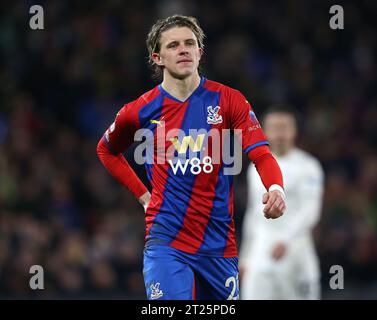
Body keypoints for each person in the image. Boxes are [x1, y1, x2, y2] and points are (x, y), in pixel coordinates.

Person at [97, 15, 286, 300]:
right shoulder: (139, 110)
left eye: (190, 43)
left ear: (200, 52)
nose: (183, 49)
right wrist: (143, 196)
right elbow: (106, 150)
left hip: (219, 246)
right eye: (173, 45)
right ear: (157, 58)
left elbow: (260, 153)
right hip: (166, 243)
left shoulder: (229, 100)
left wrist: (275, 188)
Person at [239, 106, 324, 300]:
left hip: (297, 251)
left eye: (285, 127)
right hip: (261, 253)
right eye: (274, 127)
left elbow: (311, 210)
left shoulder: (308, 166)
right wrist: (245, 256)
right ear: (265, 131)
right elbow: (253, 213)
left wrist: (286, 239)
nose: (280, 133)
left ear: (294, 131)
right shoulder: (256, 169)